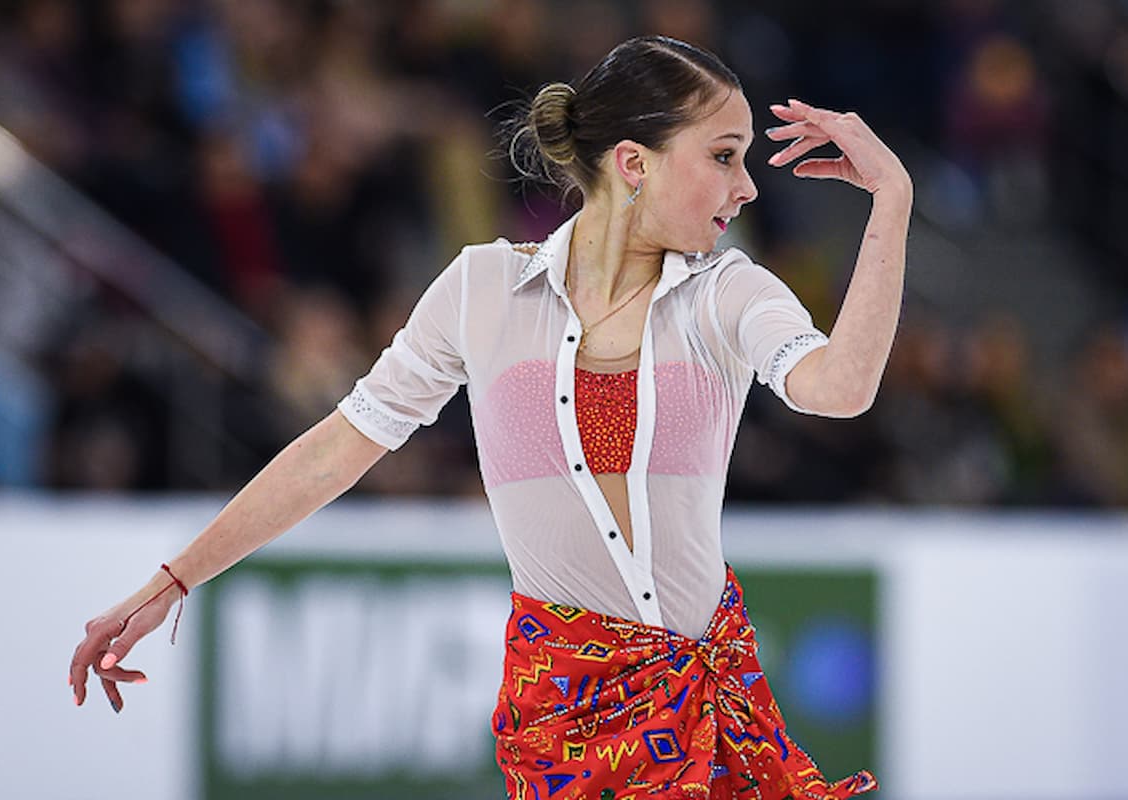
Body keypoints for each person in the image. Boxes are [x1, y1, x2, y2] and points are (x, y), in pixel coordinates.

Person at [70, 35, 910, 799]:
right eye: (723, 156)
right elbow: (338, 448)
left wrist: (891, 201)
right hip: (565, 719)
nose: (746, 184)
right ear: (633, 162)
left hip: (708, 712)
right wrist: (172, 581)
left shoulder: (726, 292)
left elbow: (838, 388)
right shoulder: (482, 292)